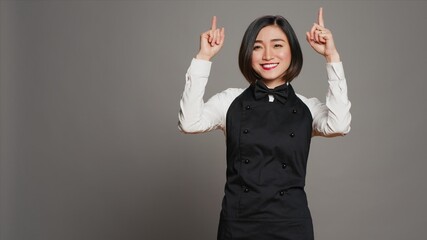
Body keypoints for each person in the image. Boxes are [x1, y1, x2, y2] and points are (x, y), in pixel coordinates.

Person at [178, 7, 351, 240]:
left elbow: (339, 125)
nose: (268, 55)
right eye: (258, 47)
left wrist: (332, 57)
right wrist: (203, 58)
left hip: (291, 224)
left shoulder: (306, 107)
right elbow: (189, 122)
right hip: (239, 223)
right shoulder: (230, 101)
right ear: (248, 53)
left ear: (292, 51)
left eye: (277, 45)